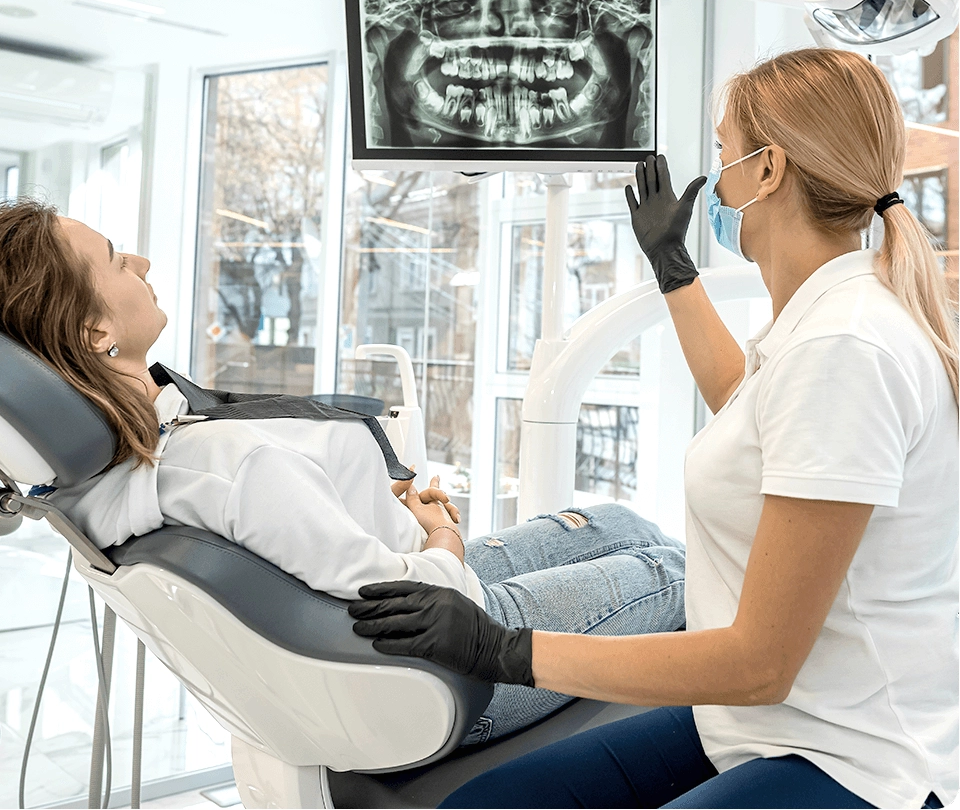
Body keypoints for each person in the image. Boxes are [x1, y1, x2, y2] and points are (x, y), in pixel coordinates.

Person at [349, 48, 958, 808]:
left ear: (768, 172)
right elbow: (747, 403)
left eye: (724, 153)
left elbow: (760, 662)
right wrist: (672, 265)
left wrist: (502, 650)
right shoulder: (824, 322)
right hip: (759, 720)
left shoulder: (846, 347)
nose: (717, 178)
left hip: (851, 755)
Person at [0, 200, 686, 745]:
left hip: (391, 583)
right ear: (94, 333)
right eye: (118, 260)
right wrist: (441, 537)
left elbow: (304, 540)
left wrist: (370, 499)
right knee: (671, 569)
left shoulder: (107, 475)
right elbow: (422, 596)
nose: (141, 264)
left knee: (615, 523)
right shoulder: (226, 469)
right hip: (450, 658)